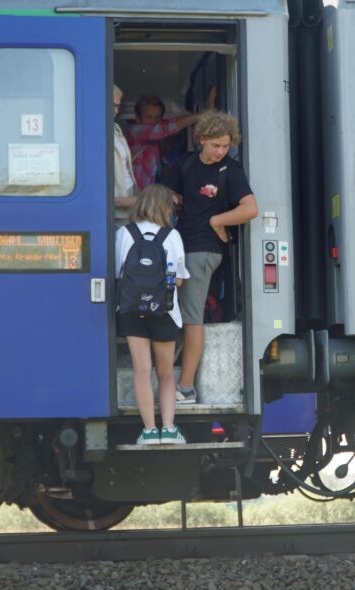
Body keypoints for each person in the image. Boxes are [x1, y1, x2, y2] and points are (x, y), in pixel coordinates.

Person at [160, 110, 258, 405]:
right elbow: (162, 188)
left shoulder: (231, 170)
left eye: (226, 145)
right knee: (179, 315)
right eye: (216, 145)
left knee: (191, 320)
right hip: (181, 248)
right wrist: (171, 196)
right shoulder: (186, 163)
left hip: (203, 252)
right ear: (201, 139)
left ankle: (186, 387)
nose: (221, 151)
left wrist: (218, 221)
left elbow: (250, 209)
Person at [114, 184, 190, 445]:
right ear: (165, 207)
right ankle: (168, 428)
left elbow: (119, 275)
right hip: (164, 311)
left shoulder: (124, 233)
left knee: (141, 369)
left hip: (132, 311)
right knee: (166, 372)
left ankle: (148, 430)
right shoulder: (172, 236)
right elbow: (179, 280)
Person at [123, 94, 203, 190]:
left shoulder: (154, 139)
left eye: (157, 118)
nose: (153, 122)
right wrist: (201, 116)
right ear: (137, 118)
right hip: (136, 196)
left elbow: (169, 124)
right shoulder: (134, 131)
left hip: (148, 195)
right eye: (149, 117)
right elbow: (165, 129)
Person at [112, 85, 137, 221]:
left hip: (128, 195)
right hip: (116, 202)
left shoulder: (115, 129)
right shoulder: (92, 133)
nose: (116, 111)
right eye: (112, 105)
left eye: (118, 106)